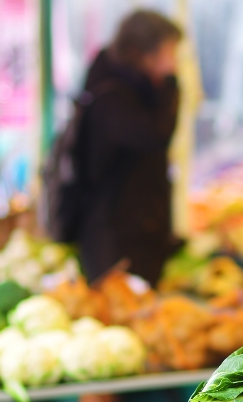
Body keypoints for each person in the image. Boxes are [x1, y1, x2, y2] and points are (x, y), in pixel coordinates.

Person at [75, 10, 182, 285]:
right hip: (115, 239)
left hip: (135, 233)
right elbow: (155, 135)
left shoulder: (133, 92)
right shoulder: (113, 97)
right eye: (168, 54)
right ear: (143, 54)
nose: (174, 64)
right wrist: (170, 85)